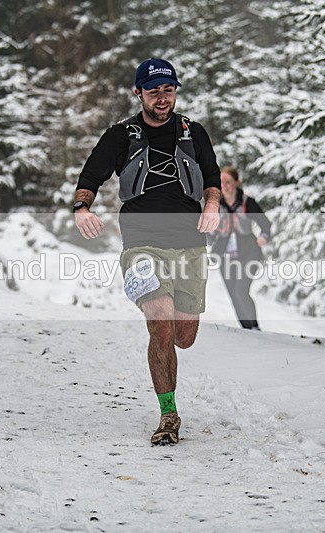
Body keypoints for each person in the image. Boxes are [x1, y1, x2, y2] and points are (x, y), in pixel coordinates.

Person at [73, 58, 221, 445]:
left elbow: (212, 178)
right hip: (141, 244)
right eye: (154, 91)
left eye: (168, 90)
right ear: (139, 93)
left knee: (183, 336)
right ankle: (168, 414)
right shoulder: (121, 135)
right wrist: (81, 208)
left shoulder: (194, 132)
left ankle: (166, 342)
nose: (162, 98)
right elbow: (90, 176)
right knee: (160, 321)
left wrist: (212, 204)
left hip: (189, 244)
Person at [210, 166, 271, 330]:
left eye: (228, 182)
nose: (225, 186)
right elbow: (209, 234)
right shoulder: (215, 205)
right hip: (225, 257)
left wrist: (263, 237)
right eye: (221, 182)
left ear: (237, 183)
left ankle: (255, 327)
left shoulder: (246, 202)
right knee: (234, 295)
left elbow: (265, 224)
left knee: (241, 291)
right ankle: (247, 330)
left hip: (249, 253)